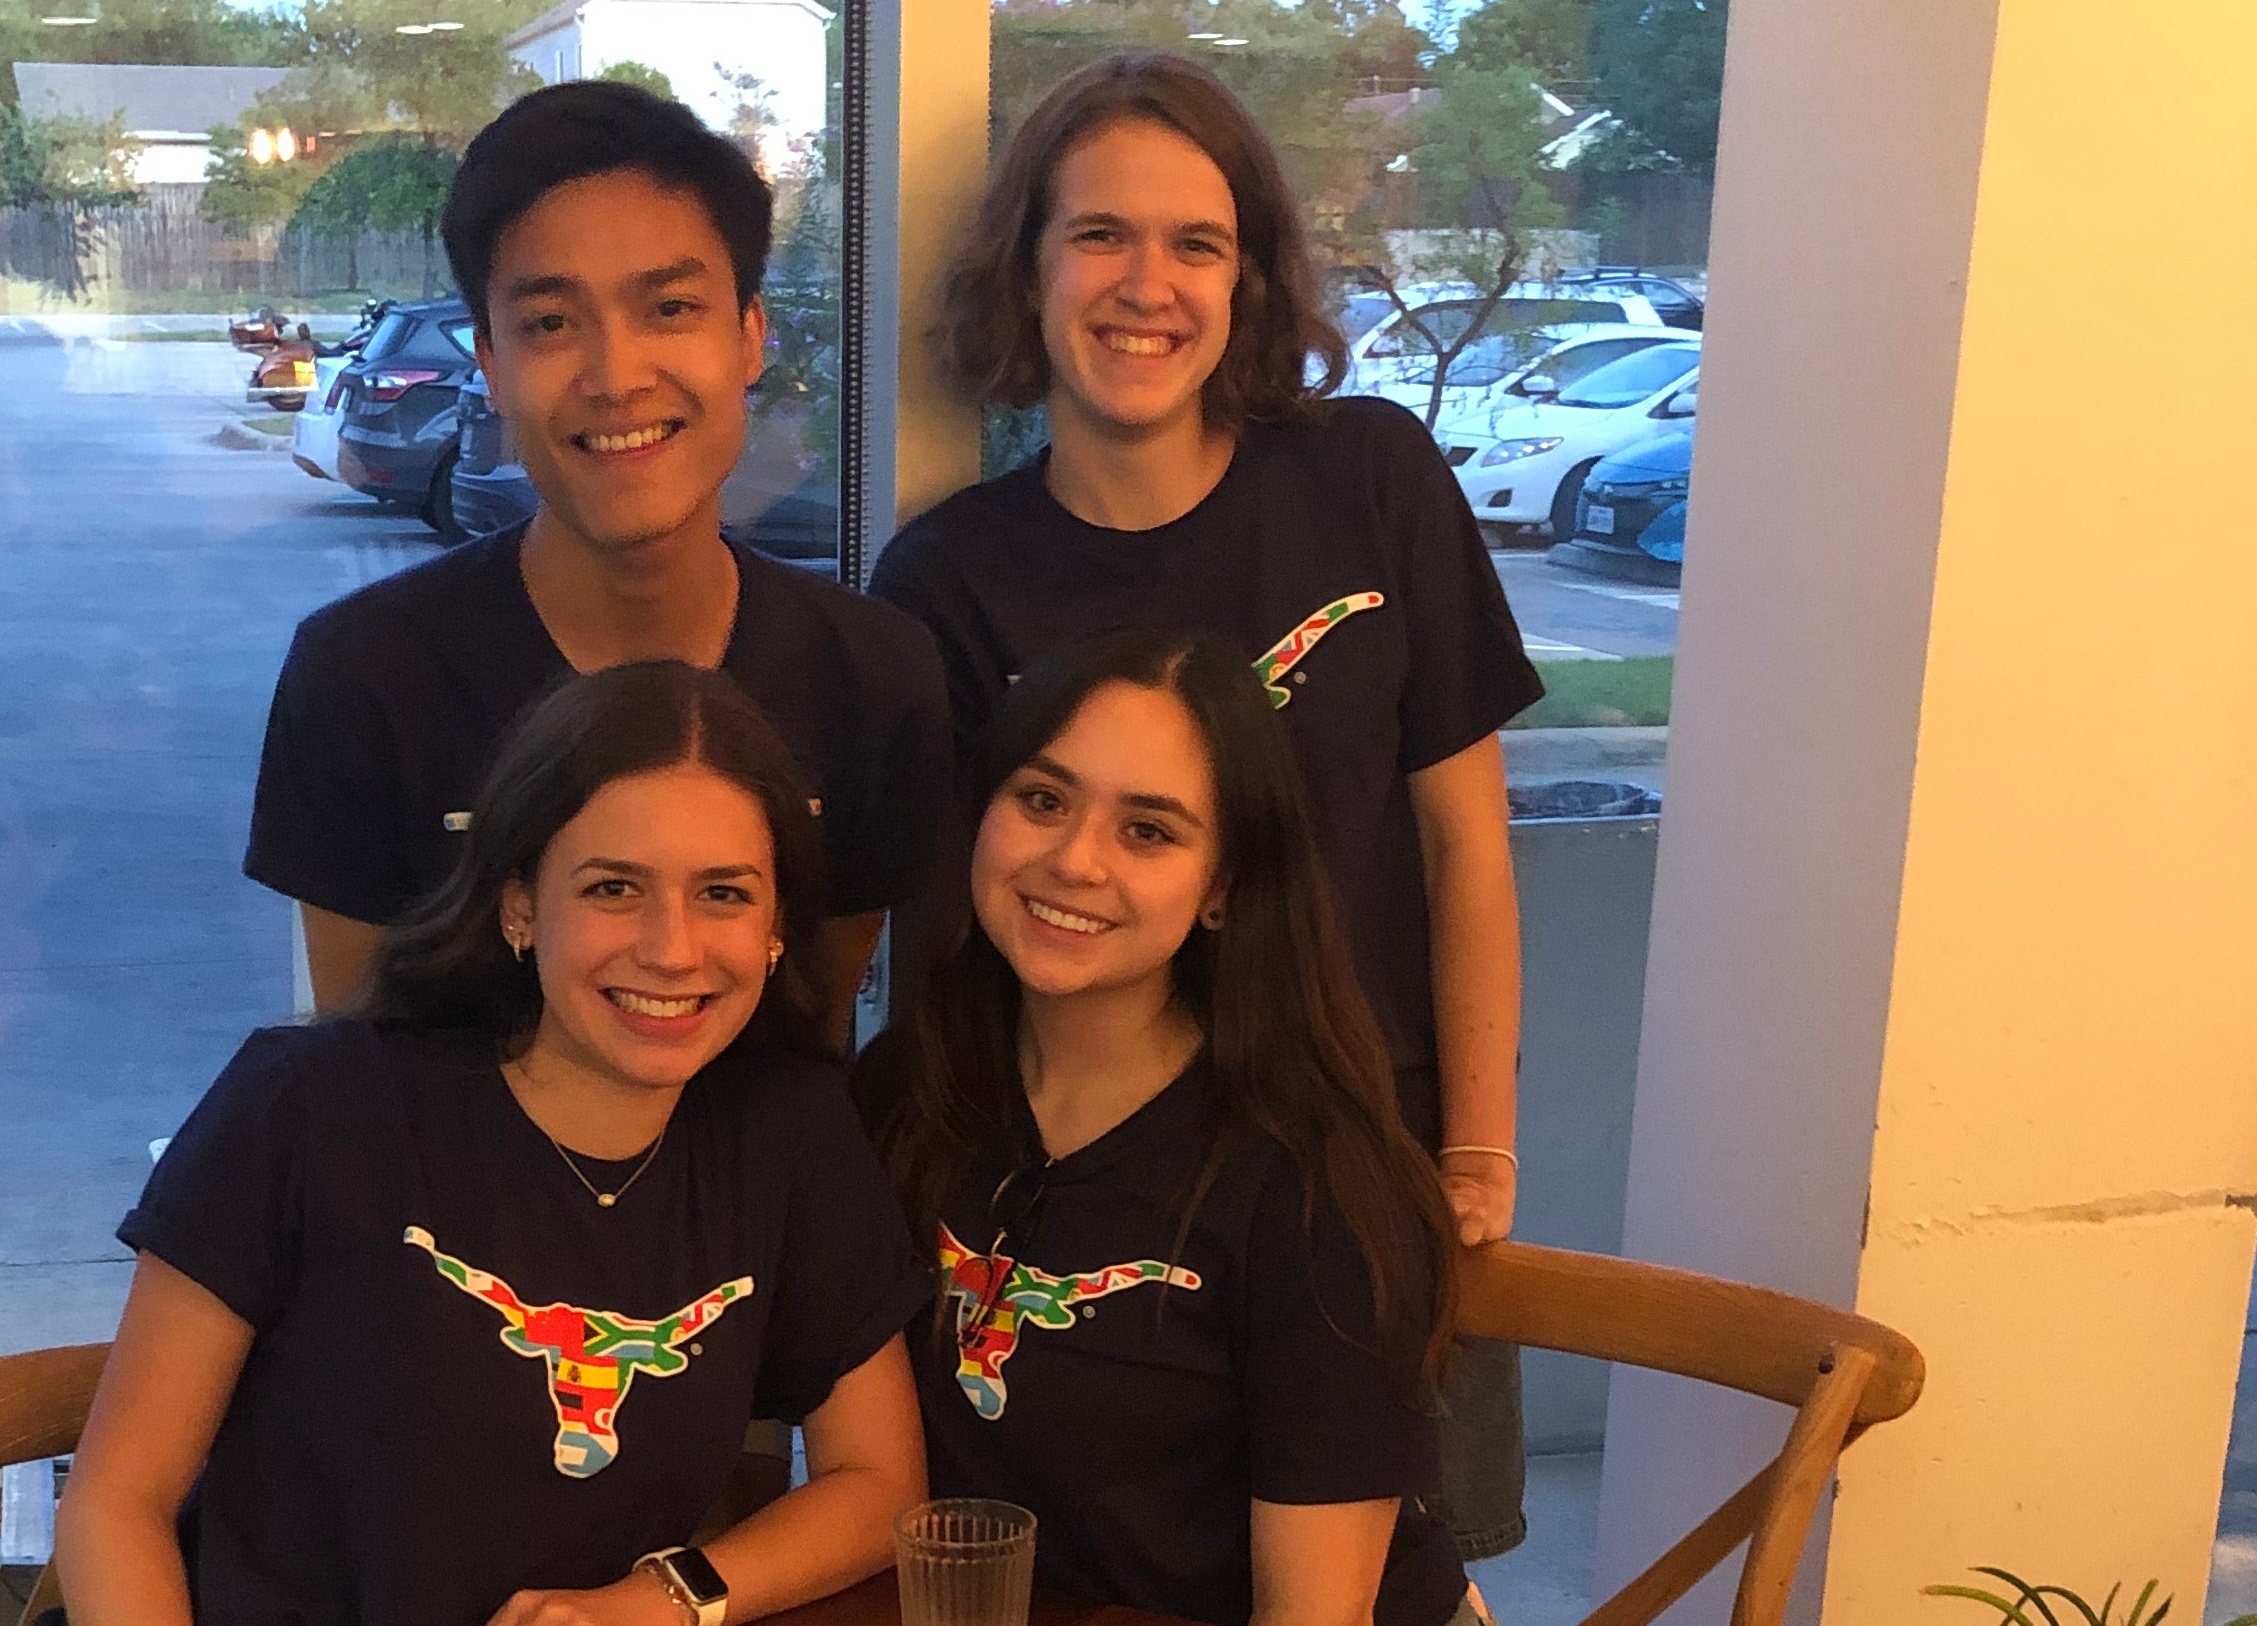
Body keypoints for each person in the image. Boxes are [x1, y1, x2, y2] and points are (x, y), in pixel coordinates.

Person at [867, 52, 1543, 1558]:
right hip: (1107, 1236)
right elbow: (964, 938)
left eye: (1196, 243)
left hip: (1371, 1187)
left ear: (1248, 280)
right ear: (1026, 270)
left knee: (1412, 1571)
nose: (1144, 285)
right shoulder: (951, 579)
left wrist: (1474, 1157)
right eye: (1098, 234)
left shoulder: (1367, 479)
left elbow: (1464, 847)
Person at [60, 663, 930, 1626]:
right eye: (613, 888)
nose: (672, 949)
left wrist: (659, 1603)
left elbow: (877, 1482)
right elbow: (117, 1502)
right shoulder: (311, 1104)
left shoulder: (788, 1132)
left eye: (723, 894)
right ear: (520, 905)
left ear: (775, 928)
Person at [247, 79, 951, 1015]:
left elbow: (808, 1051)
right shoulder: (366, 679)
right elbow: (358, 1072)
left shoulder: (870, 677)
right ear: (491, 365)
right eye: (549, 324)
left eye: (669, 309)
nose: (617, 377)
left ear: (750, 338)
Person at [854, 629, 1481, 1626]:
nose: (1074, 861)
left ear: (1226, 887)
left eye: (1149, 831)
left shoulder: (1316, 1186)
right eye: (1043, 800)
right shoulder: (904, 1092)